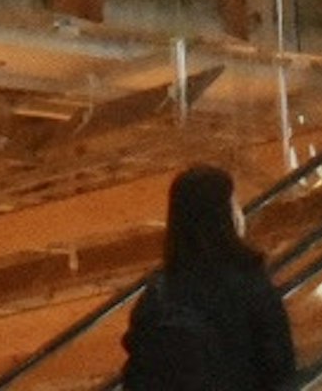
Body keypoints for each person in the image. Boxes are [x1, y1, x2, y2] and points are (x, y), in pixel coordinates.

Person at [119, 165, 297, 391]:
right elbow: (279, 369)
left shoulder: (156, 296)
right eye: (233, 205)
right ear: (224, 216)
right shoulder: (250, 286)